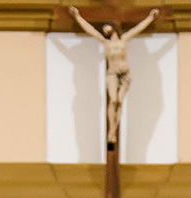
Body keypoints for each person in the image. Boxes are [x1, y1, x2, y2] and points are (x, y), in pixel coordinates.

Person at [68, 5, 160, 145]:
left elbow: (138, 29)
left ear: (112, 27)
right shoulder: (105, 43)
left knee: (120, 102)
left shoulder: (124, 39)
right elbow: (90, 30)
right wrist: (78, 17)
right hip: (112, 73)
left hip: (125, 74)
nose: (105, 29)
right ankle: (111, 132)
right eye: (104, 29)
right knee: (113, 100)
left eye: (107, 27)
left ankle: (113, 131)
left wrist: (150, 17)